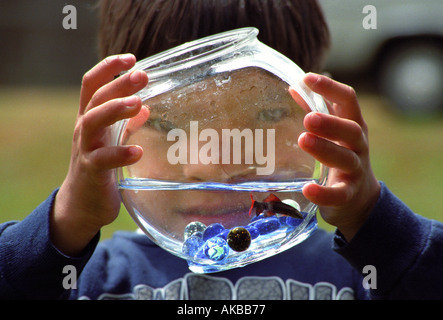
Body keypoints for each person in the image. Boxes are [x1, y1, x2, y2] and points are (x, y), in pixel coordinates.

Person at [1, 0, 442, 300]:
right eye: (169, 126)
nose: (213, 165)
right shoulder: (90, 280)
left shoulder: (367, 275)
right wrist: (65, 223)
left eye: (265, 119)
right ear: (115, 131)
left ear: (322, 111)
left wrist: (374, 221)